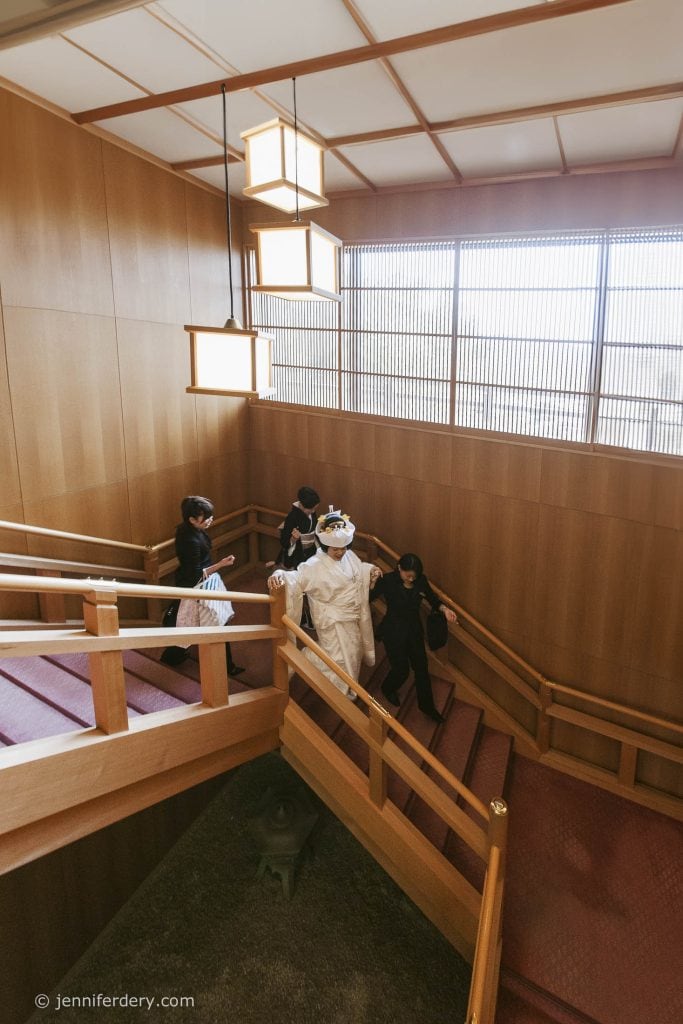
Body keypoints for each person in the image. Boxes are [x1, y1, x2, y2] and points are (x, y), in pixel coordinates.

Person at [267, 507, 381, 699]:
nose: (340, 552)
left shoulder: (349, 556)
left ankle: (346, 686)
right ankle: (333, 682)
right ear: (325, 545)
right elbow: (296, 577)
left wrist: (370, 571)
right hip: (331, 619)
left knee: (352, 652)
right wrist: (279, 575)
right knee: (338, 657)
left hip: (351, 615)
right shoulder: (314, 565)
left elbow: (359, 569)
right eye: (335, 549)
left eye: (343, 547)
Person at [160, 496, 244, 674]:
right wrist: (221, 564)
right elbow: (196, 574)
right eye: (205, 518)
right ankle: (225, 668)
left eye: (210, 516)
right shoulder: (190, 540)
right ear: (192, 519)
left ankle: (173, 656)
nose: (210, 520)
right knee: (215, 624)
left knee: (187, 625)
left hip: (198, 582)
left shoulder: (186, 529)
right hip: (196, 586)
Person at [370, 553, 457, 723]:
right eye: (407, 574)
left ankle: (427, 707)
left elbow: (433, 599)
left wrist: (445, 610)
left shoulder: (421, 581)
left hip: (414, 631)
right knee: (401, 669)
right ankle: (388, 687)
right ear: (399, 568)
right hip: (393, 631)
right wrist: (372, 582)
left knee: (422, 668)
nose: (411, 579)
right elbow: (369, 598)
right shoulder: (387, 580)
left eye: (414, 575)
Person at [278, 486, 320, 569]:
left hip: (311, 549)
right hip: (298, 553)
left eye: (315, 508)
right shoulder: (292, 517)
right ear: (301, 505)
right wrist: (293, 539)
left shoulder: (311, 511)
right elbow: (284, 541)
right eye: (311, 509)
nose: (313, 511)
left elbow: (314, 526)